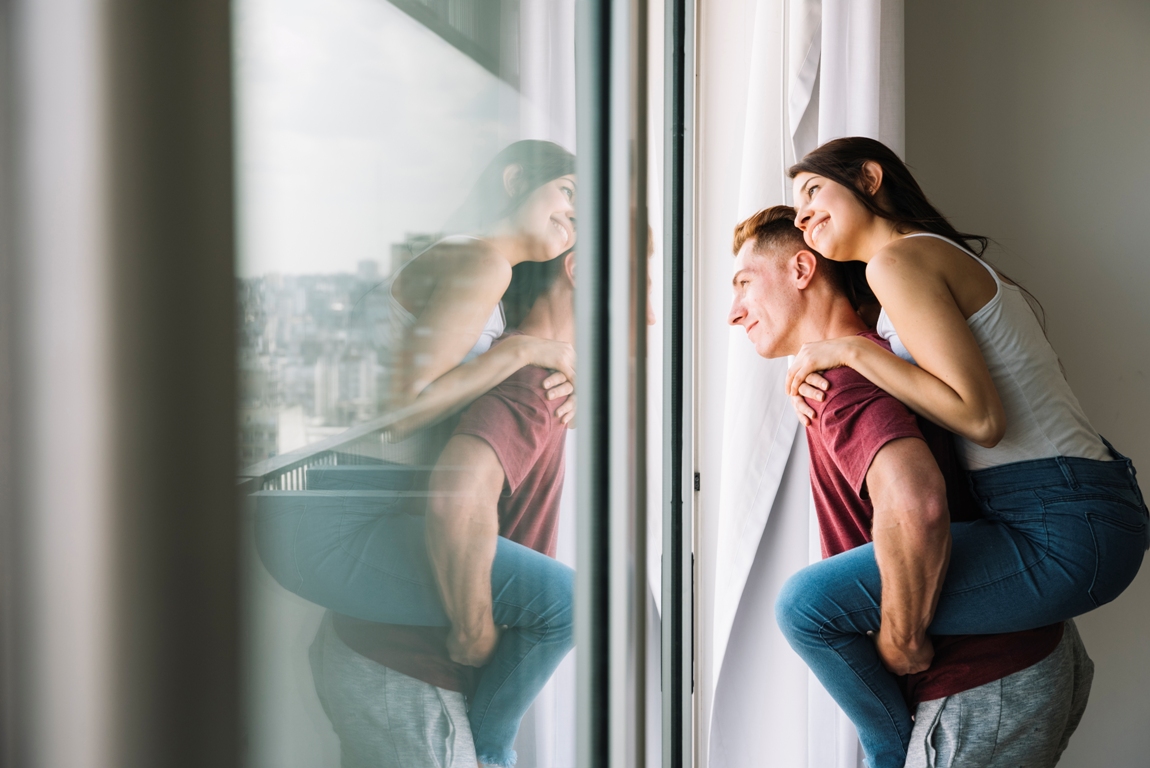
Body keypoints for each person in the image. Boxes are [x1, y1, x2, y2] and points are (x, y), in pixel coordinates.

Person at [728, 205, 1095, 768]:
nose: (735, 313)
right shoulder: (884, 360)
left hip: (978, 682)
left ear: (803, 269)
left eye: (745, 283)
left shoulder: (844, 383)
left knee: (802, 609)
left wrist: (901, 637)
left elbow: (917, 503)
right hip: (1021, 659)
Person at [255, 140, 580, 766]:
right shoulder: (482, 260)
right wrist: (516, 354)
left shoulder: (480, 270)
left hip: (327, 510)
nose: (574, 218)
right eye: (568, 192)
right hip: (327, 520)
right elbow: (398, 414)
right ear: (516, 178)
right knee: (560, 604)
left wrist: (544, 359)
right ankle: (492, 753)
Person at [307, 249, 578, 768]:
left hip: (384, 656)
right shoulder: (530, 381)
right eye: (646, 282)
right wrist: (474, 633)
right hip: (408, 668)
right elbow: (457, 498)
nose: (652, 312)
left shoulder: (518, 368)